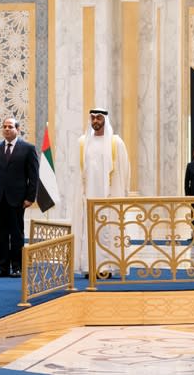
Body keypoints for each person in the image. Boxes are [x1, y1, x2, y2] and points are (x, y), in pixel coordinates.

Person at [75, 108, 130, 276]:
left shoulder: (116, 143)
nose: (95, 121)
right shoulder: (83, 142)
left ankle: (108, 267)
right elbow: (78, 172)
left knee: (108, 232)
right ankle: (89, 266)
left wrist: (123, 193)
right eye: (92, 118)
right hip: (89, 196)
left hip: (110, 197)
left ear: (105, 119)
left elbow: (125, 170)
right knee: (89, 231)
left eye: (98, 118)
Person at [0, 117, 39, 278]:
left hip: (18, 199)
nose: (7, 129)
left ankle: (17, 268)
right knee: (1, 235)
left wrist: (30, 197)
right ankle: (3, 268)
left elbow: (33, 175)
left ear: (17, 129)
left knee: (16, 235)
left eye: (10, 127)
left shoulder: (28, 148)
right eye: (5, 127)